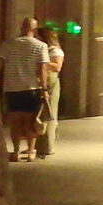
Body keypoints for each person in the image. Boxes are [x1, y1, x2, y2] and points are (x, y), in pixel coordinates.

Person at [0, 17, 51, 161]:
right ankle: (30, 152)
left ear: (21, 28)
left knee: (14, 122)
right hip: (31, 88)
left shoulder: (9, 44)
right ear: (34, 30)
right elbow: (42, 70)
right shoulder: (40, 46)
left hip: (11, 88)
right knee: (31, 122)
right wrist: (44, 89)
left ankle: (15, 152)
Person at [31, 22, 66, 157]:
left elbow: (57, 67)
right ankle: (38, 144)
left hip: (51, 84)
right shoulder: (43, 50)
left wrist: (44, 63)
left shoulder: (55, 51)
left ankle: (47, 146)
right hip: (42, 82)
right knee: (39, 116)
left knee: (49, 114)